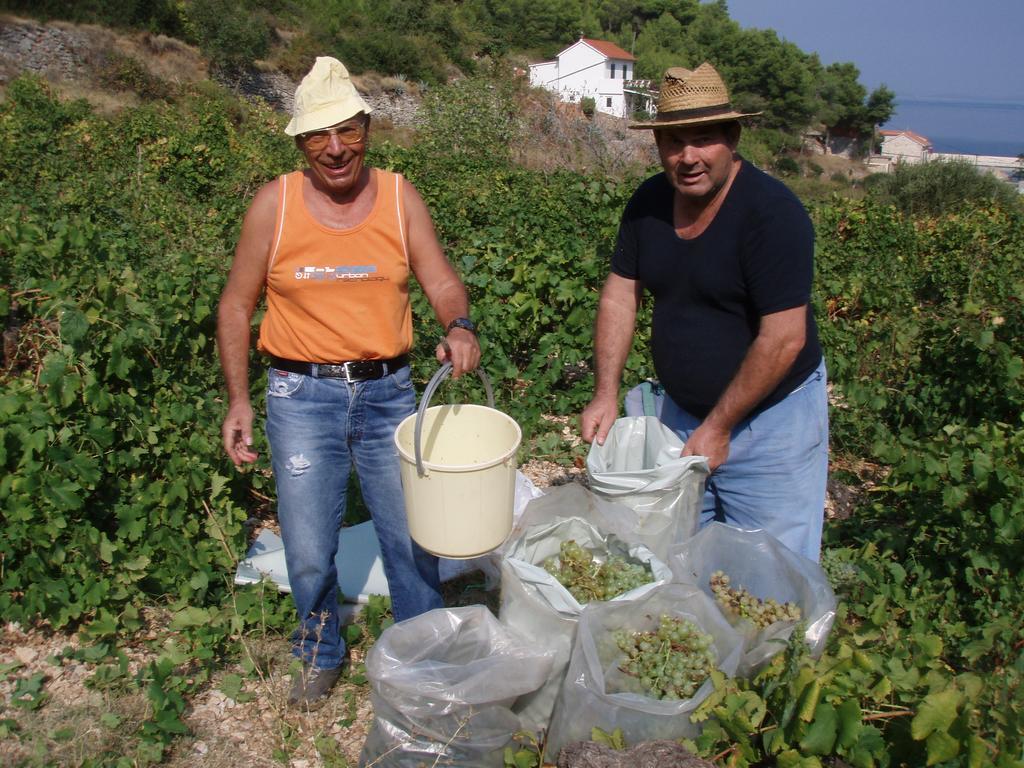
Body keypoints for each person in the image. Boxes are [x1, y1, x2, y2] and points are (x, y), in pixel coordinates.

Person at [217, 57, 480, 709]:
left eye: (346, 130)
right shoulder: (273, 207)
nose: (335, 148)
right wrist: (240, 399)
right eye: (318, 135)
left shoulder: (397, 197)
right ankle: (320, 650)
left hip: (390, 391)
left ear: (366, 126)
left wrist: (461, 323)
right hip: (300, 399)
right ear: (300, 142)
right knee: (307, 548)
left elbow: (441, 279)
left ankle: (422, 650)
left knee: (412, 537)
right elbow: (234, 305)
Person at [581, 63, 828, 562]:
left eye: (704, 139)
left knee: (769, 574)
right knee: (679, 562)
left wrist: (718, 427)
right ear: (658, 146)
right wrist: (605, 391)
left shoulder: (771, 214)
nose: (687, 157)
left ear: (733, 138)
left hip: (769, 425)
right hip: (681, 417)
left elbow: (784, 338)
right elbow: (620, 295)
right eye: (673, 141)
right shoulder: (649, 202)